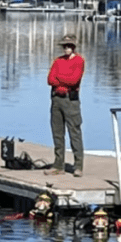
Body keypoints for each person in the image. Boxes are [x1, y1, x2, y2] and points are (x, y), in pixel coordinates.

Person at [47, 34, 86, 177]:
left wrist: (60, 78)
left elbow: (74, 80)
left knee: (74, 132)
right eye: (65, 46)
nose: (67, 48)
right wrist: (62, 80)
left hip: (71, 100)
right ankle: (58, 165)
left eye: (69, 46)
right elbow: (50, 79)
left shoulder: (79, 61)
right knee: (57, 133)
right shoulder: (58, 61)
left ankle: (78, 166)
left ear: (74, 47)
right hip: (56, 99)